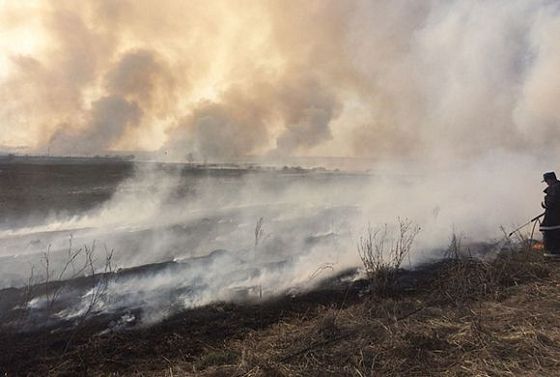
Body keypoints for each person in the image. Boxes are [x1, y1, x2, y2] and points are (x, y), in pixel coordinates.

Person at [540, 172, 560, 257]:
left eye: (546, 181)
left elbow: (552, 202)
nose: (547, 183)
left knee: (549, 232)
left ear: (550, 180)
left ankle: (553, 254)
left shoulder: (554, 188)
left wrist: (544, 204)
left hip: (554, 218)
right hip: (557, 216)